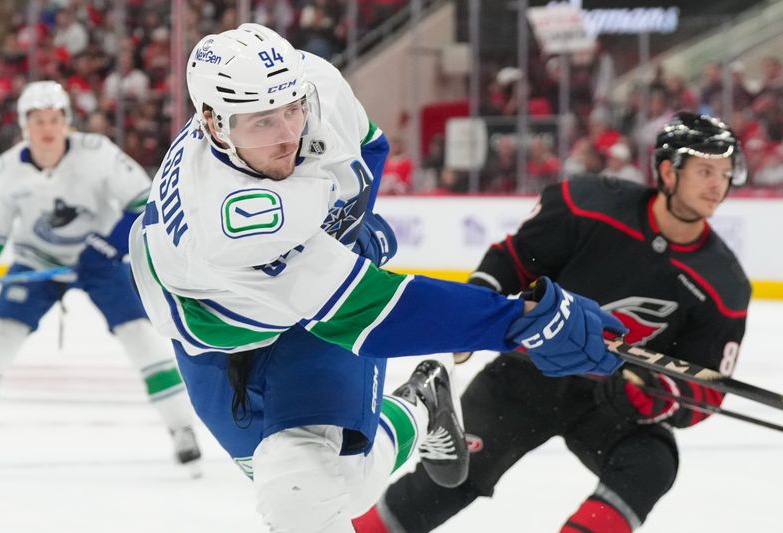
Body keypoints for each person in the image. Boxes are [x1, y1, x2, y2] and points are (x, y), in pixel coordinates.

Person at [127, 23, 626, 533]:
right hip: (217, 330)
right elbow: (374, 313)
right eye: (260, 122)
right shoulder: (227, 223)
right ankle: (419, 407)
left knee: (301, 496)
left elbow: (364, 156)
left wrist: (348, 226)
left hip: (300, 301)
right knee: (344, 485)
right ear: (213, 124)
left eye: (291, 110)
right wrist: (517, 321)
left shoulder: (315, 83)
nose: (287, 135)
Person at [355, 111, 752, 533]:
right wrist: (471, 316)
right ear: (669, 172)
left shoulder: (723, 284)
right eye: (705, 171)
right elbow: (512, 260)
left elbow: (703, 390)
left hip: (609, 400)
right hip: (528, 374)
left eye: (725, 174)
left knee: (651, 463)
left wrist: (652, 395)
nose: (717, 185)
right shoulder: (590, 204)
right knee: (448, 482)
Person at [0, 81, 201, 471]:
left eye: (55, 119)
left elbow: (144, 202)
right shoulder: (3, 172)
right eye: (38, 121)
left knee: (140, 338)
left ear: (66, 121)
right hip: (37, 262)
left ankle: (181, 428)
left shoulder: (98, 153)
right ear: (23, 126)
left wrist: (106, 246)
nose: (48, 129)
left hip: (99, 260)